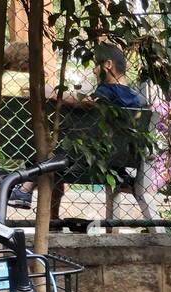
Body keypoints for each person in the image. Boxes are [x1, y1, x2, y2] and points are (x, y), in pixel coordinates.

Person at [8, 42, 146, 209]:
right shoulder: (137, 99)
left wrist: (53, 93)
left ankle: (25, 187)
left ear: (108, 65)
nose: (94, 71)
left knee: (55, 143)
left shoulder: (107, 92)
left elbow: (85, 101)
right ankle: (44, 209)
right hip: (118, 162)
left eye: (96, 66)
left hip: (87, 161)